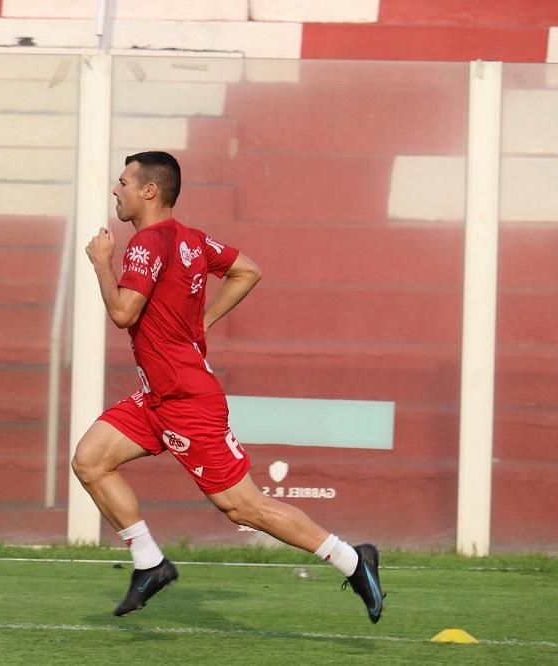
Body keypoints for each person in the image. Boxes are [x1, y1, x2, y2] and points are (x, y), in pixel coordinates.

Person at [72, 151, 385, 622]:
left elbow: (122, 313)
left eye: (123, 183)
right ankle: (149, 564)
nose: (117, 190)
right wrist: (204, 322)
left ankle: (351, 558)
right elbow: (248, 270)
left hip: (185, 401)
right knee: (90, 460)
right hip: (157, 397)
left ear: (149, 191)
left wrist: (101, 263)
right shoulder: (192, 241)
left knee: (243, 507)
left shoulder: (144, 245)